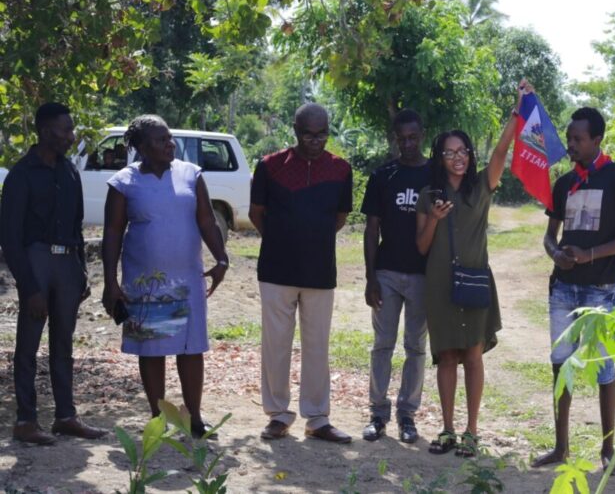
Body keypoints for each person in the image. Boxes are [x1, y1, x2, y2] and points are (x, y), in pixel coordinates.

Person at [416, 80, 532, 457]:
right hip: (439, 284)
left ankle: (471, 431)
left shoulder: (482, 186)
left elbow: (501, 150)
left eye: (463, 150)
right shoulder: (429, 195)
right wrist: (433, 219)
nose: (458, 157)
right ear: (439, 158)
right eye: (449, 152)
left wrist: (519, 108)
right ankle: (447, 429)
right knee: (447, 355)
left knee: (473, 355)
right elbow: (421, 246)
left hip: (476, 280)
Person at [532, 107, 615, 474]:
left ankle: (608, 450)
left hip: (603, 290)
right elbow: (550, 236)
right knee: (560, 367)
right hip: (564, 288)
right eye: (569, 138)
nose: (572, 145)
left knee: (603, 370)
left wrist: (590, 254)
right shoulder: (564, 183)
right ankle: (560, 447)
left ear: (597, 140)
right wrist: (558, 255)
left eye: (579, 139)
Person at [101, 114, 228, 439]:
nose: (170, 144)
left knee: (190, 349)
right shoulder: (124, 182)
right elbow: (113, 233)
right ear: (142, 147)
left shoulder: (190, 174)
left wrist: (222, 258)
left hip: (186, 278)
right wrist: (111, 282)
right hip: (147, 282)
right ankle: (158, 418)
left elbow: (206, 220)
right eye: (161, 140)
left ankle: (195, 418)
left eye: (170, 138)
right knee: (152, 349)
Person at [0, 102, 107, 445]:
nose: (71, 137)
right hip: (35, 262)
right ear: (46, 131)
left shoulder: (69, 171)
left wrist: (82, 272)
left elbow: (76, 225)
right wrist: (29, 287)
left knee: (63, 344)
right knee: (27, 347)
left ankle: (66, 416)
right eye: (66, 130)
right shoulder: (21, 174)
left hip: (66, 264)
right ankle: (25, 421)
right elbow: (10, 239)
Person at [249, 103, 354, 444]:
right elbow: (256, 213)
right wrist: (282, 241)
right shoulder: (269, 166)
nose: (315, 140)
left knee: (317, 346)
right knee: (276, 345)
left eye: (322, 133)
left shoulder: (341, 169)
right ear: (295, 130)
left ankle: (318, 417)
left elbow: (339, 218)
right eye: (308, 134)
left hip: (320, 271)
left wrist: (310, 241)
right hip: (276, 271)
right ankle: (278, 415)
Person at [360, 109, 430, 444]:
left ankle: (407, 415)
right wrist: (370, 277)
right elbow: (371, 229)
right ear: (395, 139)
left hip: (423, 275)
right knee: (382, 345)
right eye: (401, 139)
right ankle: (377, 413)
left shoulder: (436, 174)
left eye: (413, 137)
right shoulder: (383, 175)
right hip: (386, 273)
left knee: (416, 347)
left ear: (423, 135)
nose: (407, 144)